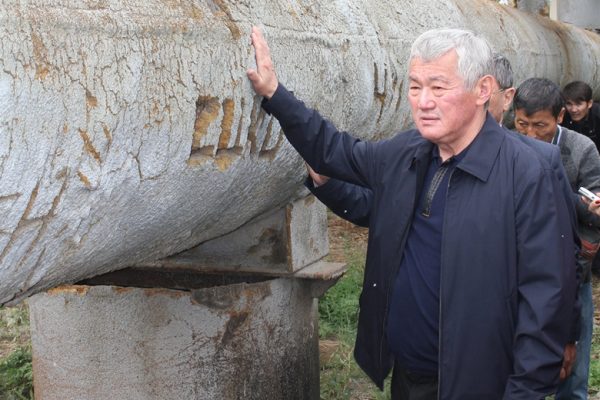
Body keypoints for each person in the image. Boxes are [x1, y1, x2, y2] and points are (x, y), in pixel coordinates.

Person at [247, 27, 577, 399]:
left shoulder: (527, 173)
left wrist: (524, 391)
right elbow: (333, 150)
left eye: (438, 87)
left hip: (480, 382)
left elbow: (546, 296)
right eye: (415, 86)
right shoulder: (408, 152)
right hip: (409, 377)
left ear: (483, 90)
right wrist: (275, 93)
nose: (423, 101)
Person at [513, 77, 600, 400]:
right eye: (522, 124)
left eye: (540, 125)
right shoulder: (507, 144)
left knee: (572, 368)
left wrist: (579, 262)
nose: (530, 135)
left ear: (560, 117)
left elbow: (594, 213)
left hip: (571, 274)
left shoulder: (581, 150)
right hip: (521, 273)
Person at [562, 81, 600, 152]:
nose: (573, 110)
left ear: (589, 103)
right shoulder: (561, 114)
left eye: (578, 104)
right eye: (569, 104)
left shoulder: (597, 115)